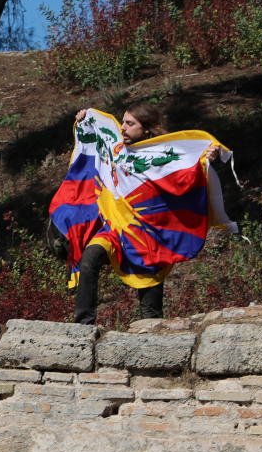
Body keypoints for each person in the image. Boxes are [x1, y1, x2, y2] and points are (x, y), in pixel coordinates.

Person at [70, 104, 220, 325]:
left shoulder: (160, 155)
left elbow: (185, 174)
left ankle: (152, 337)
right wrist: (86, 119)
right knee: (90, 258)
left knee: (150, 314)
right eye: (123, 122)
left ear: (147, 129)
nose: (123, 128)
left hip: (147, 235)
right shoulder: (116, 148)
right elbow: (97, 138)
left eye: (130, 124)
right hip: (114, 227)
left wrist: (206, 159)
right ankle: (83, 326)